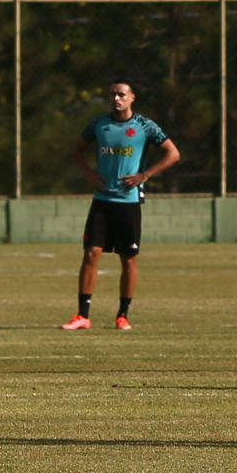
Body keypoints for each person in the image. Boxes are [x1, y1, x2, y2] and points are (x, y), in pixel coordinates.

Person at [66, 77, 178, 331]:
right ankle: (83, 316)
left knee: (128, 259)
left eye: (121, 94)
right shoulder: (99, 125)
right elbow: (77, 150)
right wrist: (89, 174)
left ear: (132, 98)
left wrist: (145, 175)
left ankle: (122, 315)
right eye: (113, 95)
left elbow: (173, 153)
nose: (116, 99)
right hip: (102, 200)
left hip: (128, 202)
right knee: (91, 253)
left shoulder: (145, 126)